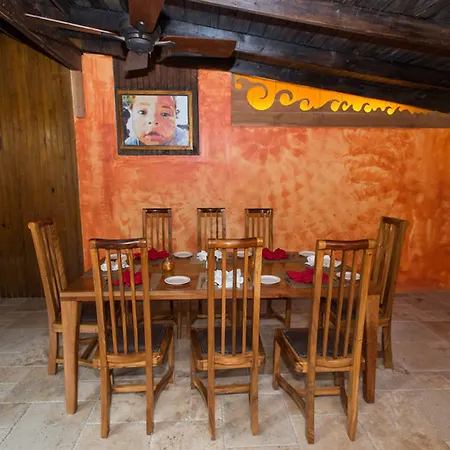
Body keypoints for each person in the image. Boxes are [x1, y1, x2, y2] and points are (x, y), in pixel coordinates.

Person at [123, 95, 189, 146]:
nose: (153, 120)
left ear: (175, 116)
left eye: (165, 114)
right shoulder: (128, 144)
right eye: (142, 112)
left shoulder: (185, 142)